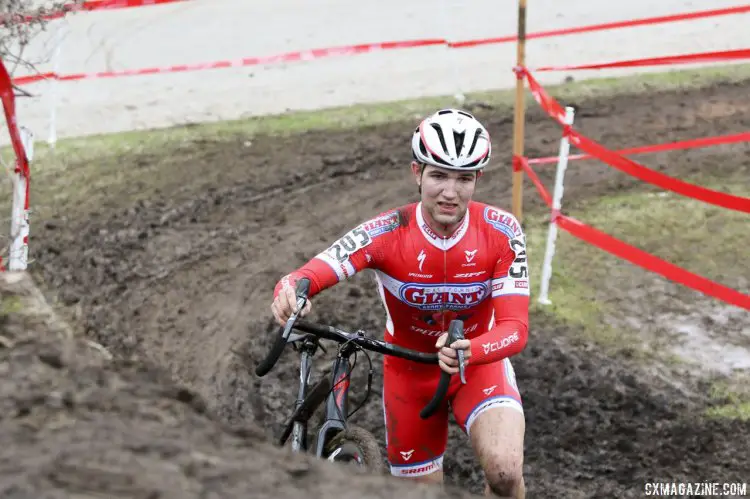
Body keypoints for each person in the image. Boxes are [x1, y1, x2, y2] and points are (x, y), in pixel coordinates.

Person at [270, 108, 530, 498]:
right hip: (409, 376)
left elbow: (515, 328)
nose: (450, 192)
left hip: (476, 365)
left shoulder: (502, 231)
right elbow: (315, 270)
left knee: (506, 474)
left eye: (463, 179)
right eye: (439, 175)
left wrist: (471, 349)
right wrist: (290, 289)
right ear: (417, 173)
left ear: (477, 179)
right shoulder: (389, 231)